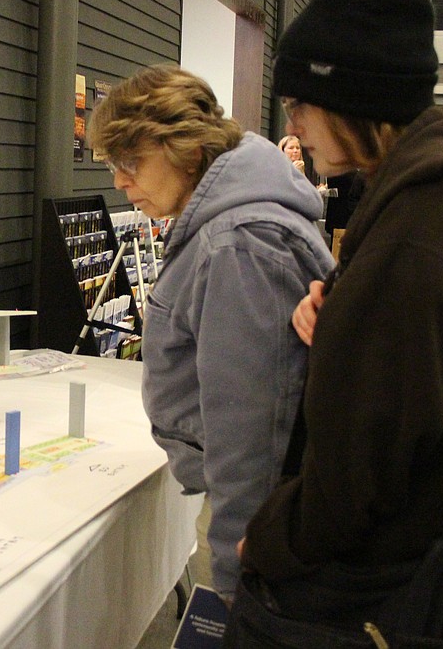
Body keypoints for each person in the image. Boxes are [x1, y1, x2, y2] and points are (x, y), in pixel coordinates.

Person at [227, 0, 443, 648]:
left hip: (399, 578)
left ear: (351, 101)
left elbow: (366, 464)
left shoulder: (426, 224)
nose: (295, 126)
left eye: (301, 104)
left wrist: (272, 538)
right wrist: (347, 314)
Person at [88, 64, 334, 601]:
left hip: (256, 522)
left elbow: (252, 430)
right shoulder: (228, 224)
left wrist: (235, 575)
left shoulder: (239, 244)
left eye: (131, 161)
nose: (119, 180)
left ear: (186, 149)